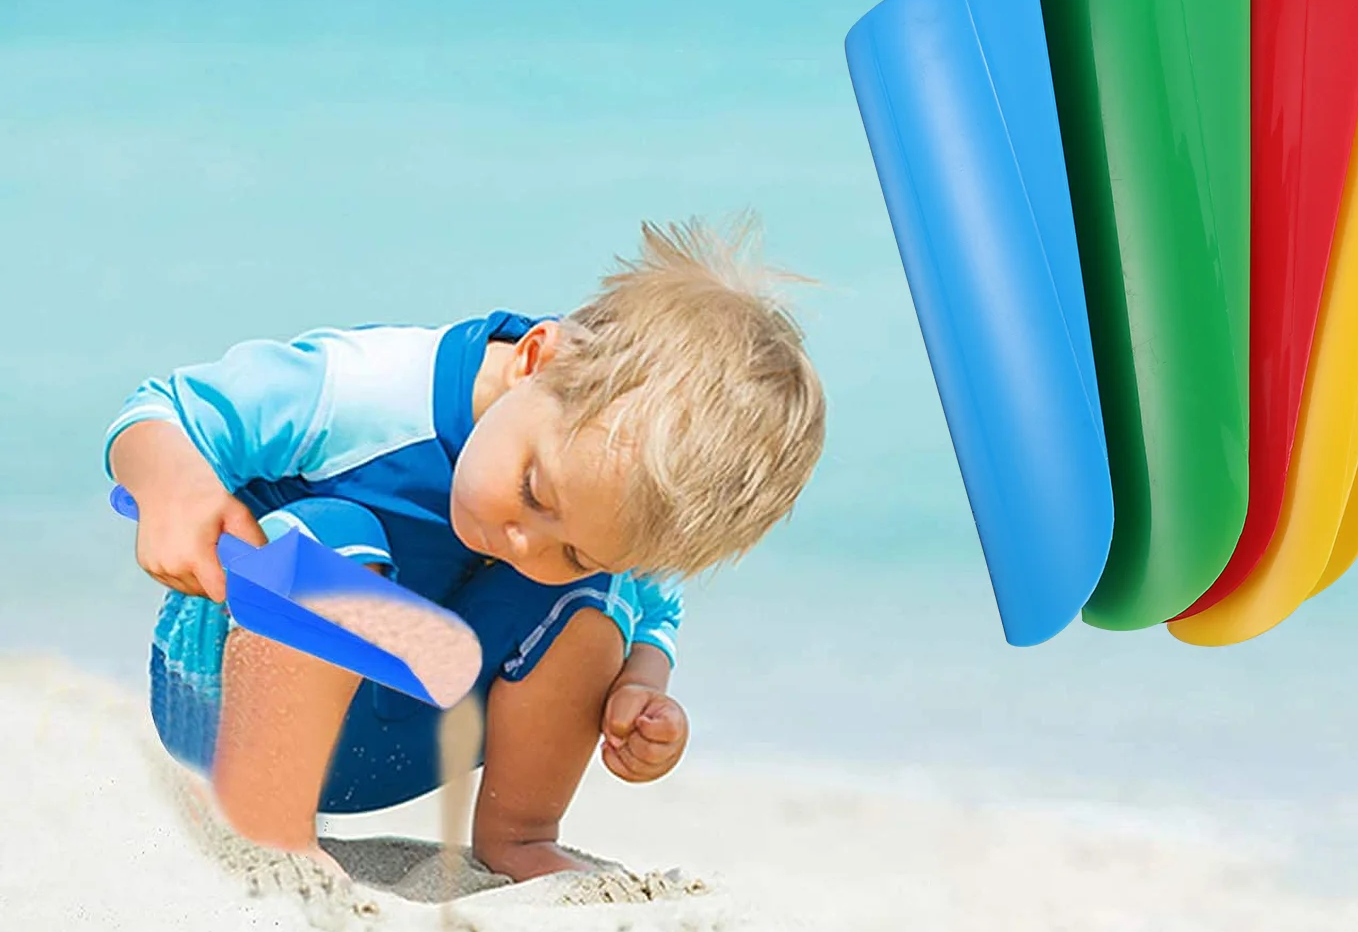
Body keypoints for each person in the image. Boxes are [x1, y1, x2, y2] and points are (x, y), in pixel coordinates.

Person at [105, 220, 825, 880]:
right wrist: (174, 492)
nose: (523, 542)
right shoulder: (371, 388)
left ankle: (521, 836)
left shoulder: (596, 513)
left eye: (572, 547)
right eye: (535, 492)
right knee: (337, 535)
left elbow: (652, 602)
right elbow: (165, 408)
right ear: (536, 361)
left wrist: (640, 686)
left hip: (393, 748)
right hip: (228, 697)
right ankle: (269, 830)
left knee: (594, 606)